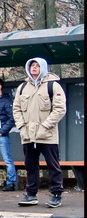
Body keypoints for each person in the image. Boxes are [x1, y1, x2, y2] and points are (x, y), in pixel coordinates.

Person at [12, 57, 67, 208]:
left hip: (48, 135)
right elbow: (16, 109)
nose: (34, 68)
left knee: (53, 166)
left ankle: (56, 195)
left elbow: (60, 109)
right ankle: (31, 194)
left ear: (43, 67)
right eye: (32, 66)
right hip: (28, 135)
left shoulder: (53, 85)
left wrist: (45, 126)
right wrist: (22, 127)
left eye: (37, 65)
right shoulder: (22, 87)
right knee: (30, 166)